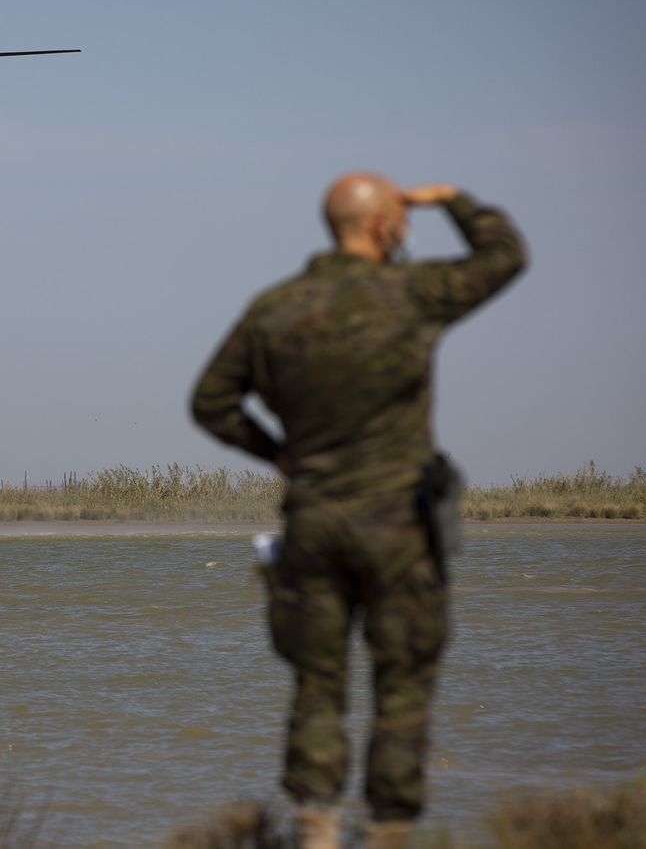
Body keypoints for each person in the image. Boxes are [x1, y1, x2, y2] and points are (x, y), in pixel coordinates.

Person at [189, 173, 526, 849]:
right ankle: (390, 830)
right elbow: (504, 257)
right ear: (382, 226)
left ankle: (315, 824)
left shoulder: (274, 309)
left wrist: (278, 452)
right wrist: (449, 200)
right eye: (397, 218)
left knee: (317, 682)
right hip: (399, 525)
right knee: (402, 682)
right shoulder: (411, 294)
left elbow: (210, 404)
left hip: (314, 524)